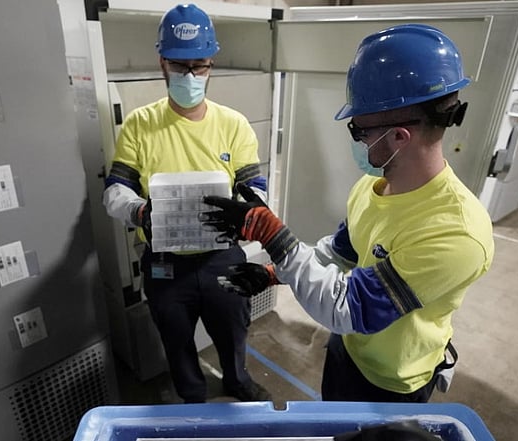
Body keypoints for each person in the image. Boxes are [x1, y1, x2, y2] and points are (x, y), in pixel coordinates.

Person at [202, 24, 495, 403]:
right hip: (348, 350)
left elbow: (347, 307)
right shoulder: (372, 187)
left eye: (359, 129)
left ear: (398, 137)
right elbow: (339, 254)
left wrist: (274, 237)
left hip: (391, 382)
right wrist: (272, 273)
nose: (356, 141)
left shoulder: (457, 233)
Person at [102, 3, 270, 404]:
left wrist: (246, 210)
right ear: (162, 63)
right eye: (180, 67)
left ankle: (237, 380)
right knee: (176, 342)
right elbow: (115, 190)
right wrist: (140, 211)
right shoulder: (140, 124)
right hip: (165, 261)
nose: (191, 76)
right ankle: (192, 398)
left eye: (200, 66)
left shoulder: (233, 124)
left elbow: (256, 185)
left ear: (211, 64)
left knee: (233, 330)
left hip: (222, 256)